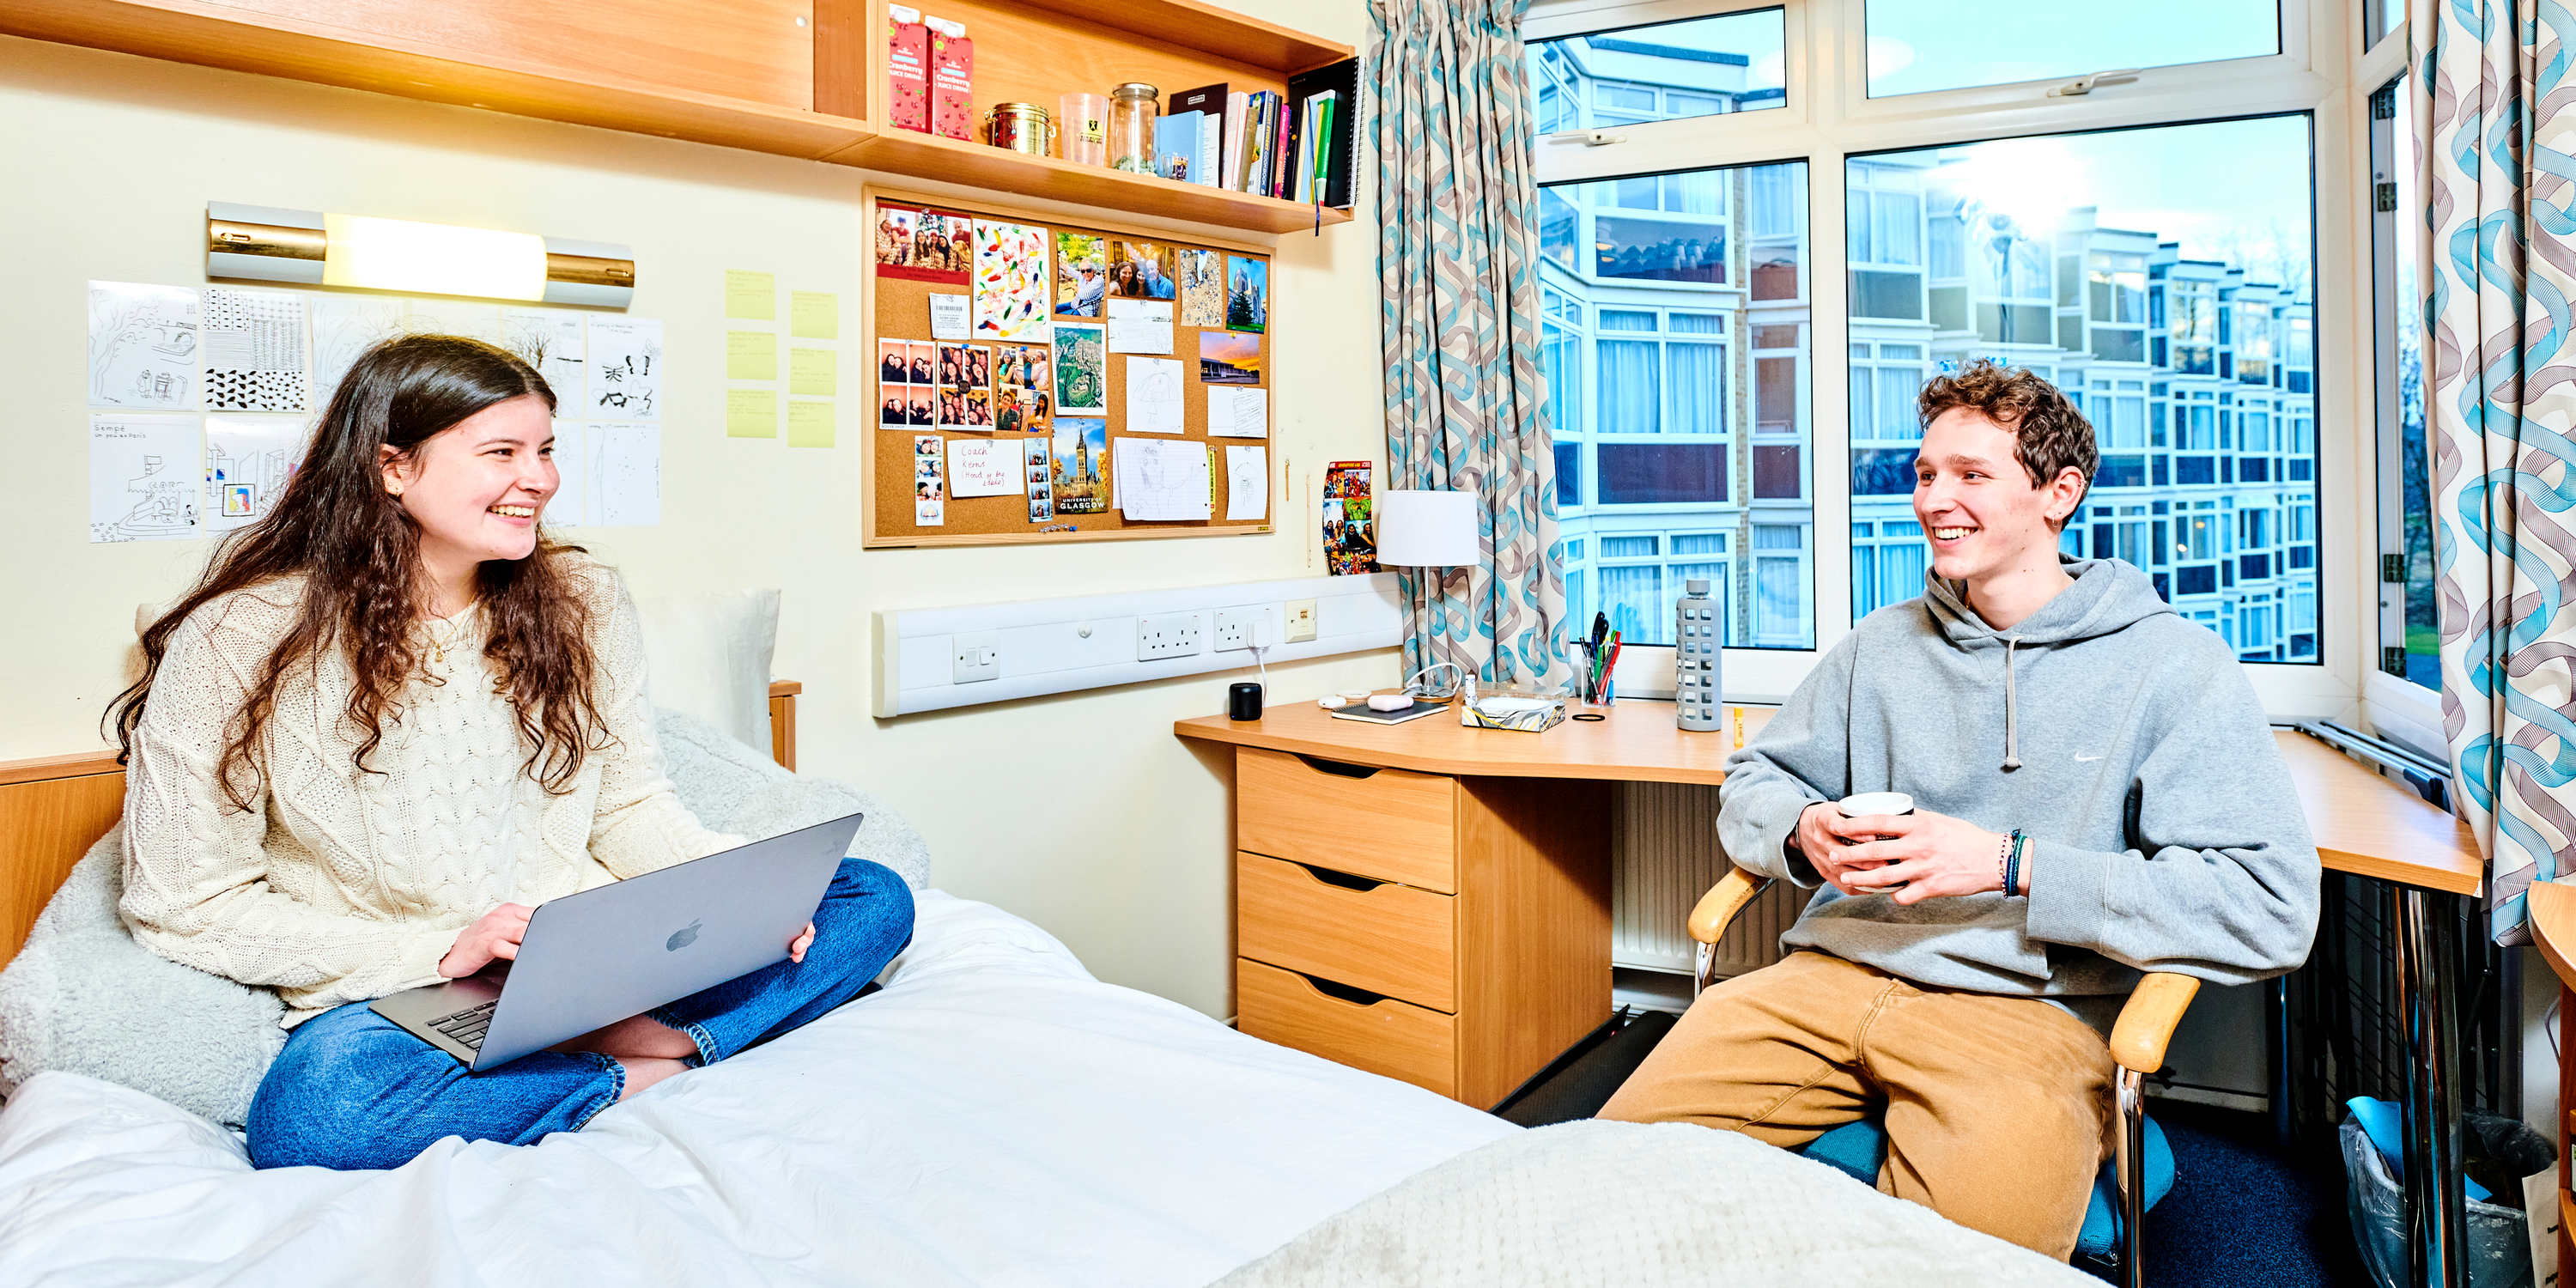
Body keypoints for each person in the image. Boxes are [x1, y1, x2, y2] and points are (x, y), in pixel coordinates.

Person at [112, 336, 915, 1171]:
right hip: (414, 988)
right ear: (393, 468)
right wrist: (440, 950)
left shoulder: (584, 600)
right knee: (319, 1117)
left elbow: (630, 805)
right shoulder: (236, 639)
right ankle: (646, 1063)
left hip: (602, 953)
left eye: (546, 451)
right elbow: (185, 901)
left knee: (870, 894)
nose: (540, 479)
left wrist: (749, 898)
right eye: (502, 452)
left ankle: (656, 1044)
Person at [1598, 360, 2319, 1262]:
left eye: (1972, 475)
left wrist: (2010, 865)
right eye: (1926, 473)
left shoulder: (2174, 667)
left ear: (2060, 494)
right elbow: (1755, 778)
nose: (1936, 499)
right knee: (1597, 1181)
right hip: (1827, 979)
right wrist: (1800, 830)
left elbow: (2270, 907)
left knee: (1959, 1267)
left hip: (2025, 1015)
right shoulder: (1879, 646)